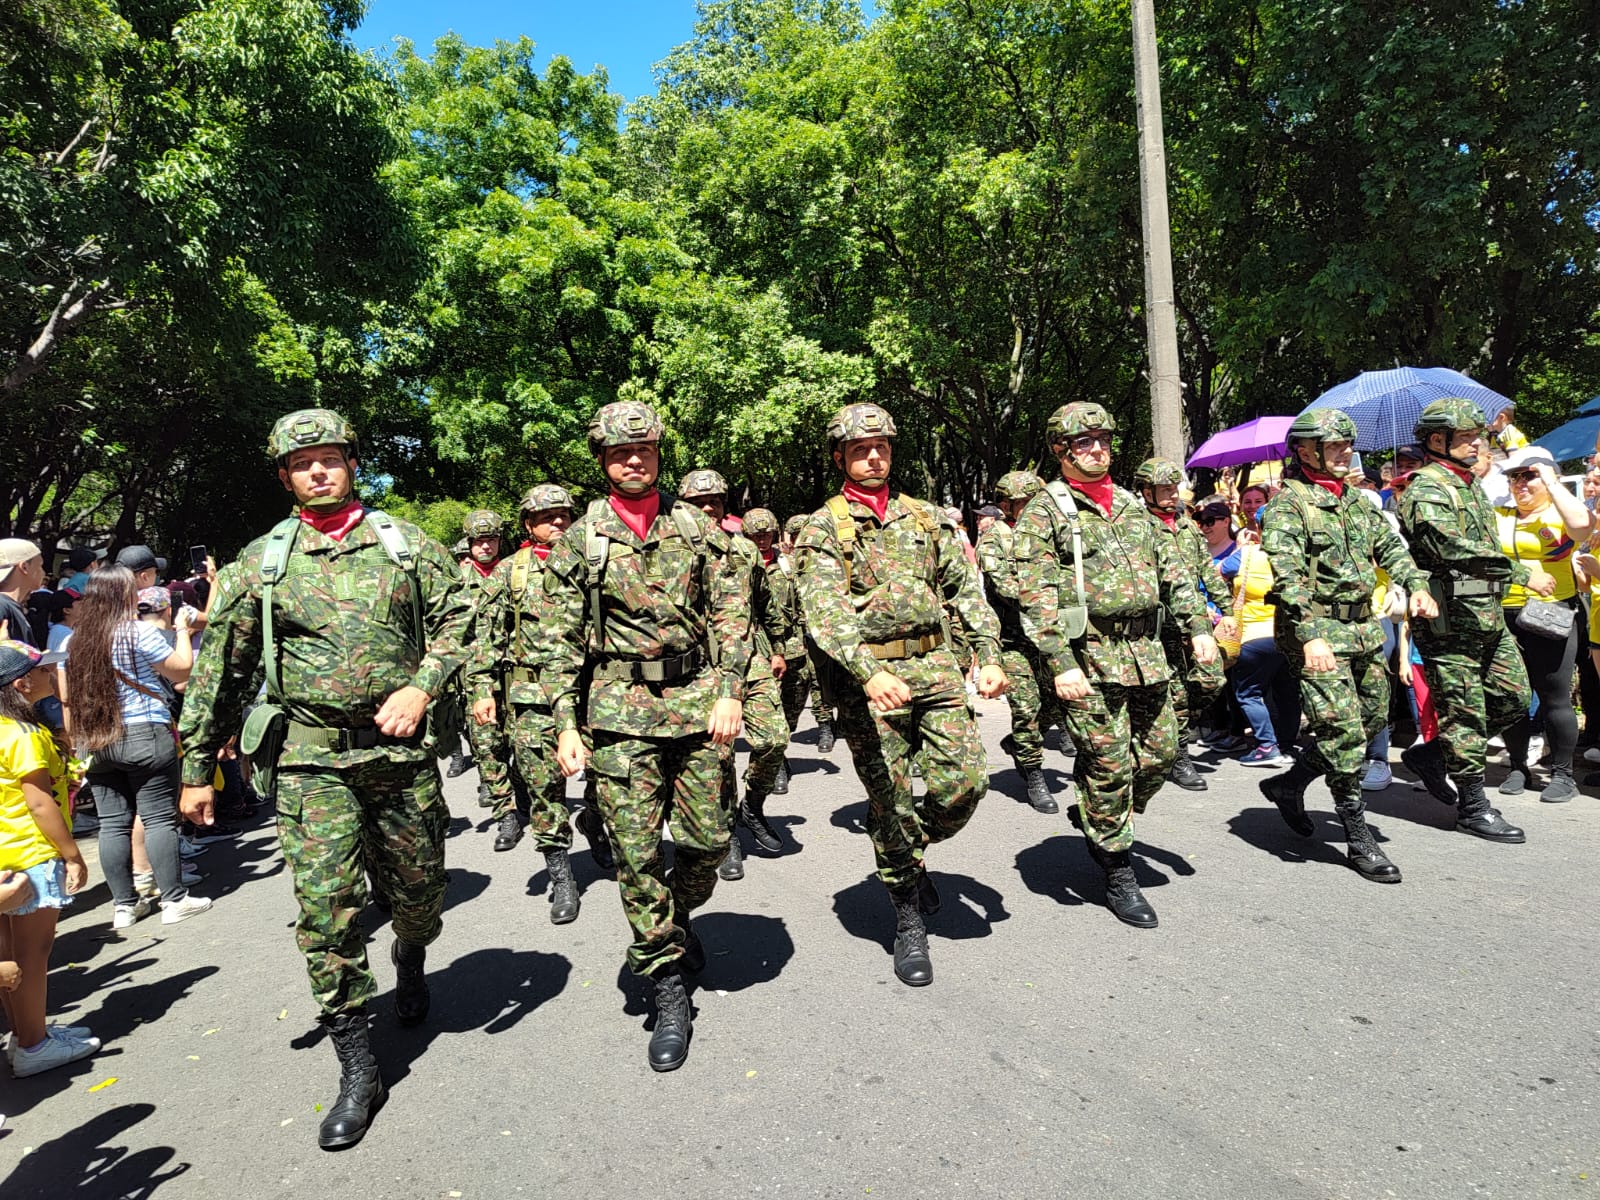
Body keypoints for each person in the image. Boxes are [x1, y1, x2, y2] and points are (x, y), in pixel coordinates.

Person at [176, 408, 473, 1148]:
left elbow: (465, 618)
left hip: (399, 758)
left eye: (331, 457)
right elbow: (221, 667)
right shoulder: (261, 564)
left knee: (419, 893)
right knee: (325, 909)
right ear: (285, 477)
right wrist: (196, 766)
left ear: (350, 463)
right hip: (311, 762)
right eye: (303, 461)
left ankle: (411, 951)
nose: (318, 469)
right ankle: (357, 1064)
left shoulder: (407, 546)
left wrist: (425, 684)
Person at [541, 401, 751, 1071]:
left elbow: (730, 610)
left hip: (695, 702)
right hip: (617, 711)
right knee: (635, 856)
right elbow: (558, 637)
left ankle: (677, 920)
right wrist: (566, 724)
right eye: (620, 451)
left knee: (707, 844)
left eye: (646, 449)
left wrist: (728, 690)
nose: (635, 459)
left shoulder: (694, 526)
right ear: (602, 459)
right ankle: (665, 987)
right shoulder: (583, 537)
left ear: (660, 453)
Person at [796, 403, 1006, 983]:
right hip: (873, 684)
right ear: (840, 456)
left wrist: (987, 654)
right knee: (890, 800)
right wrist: (867, 672)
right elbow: (823, 611)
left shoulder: (925, 517)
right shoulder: (823, 525)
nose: (873, 456)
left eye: (882, 447)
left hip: (935, 666)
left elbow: (965, 589)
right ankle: (907, 913)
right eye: (860, 449)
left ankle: (904, 848)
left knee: (966, 783)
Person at [1013, 404, 1216, 927]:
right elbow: (1035, 595)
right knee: (1108, 763)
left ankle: (1101, 813)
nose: (1097, 448)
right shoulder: (1045, 512)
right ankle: (1116, 868)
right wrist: (1058, 659)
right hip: (1089, 656)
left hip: (1146, 651)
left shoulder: (1131, 504)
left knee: (1162, 753)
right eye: (1083, 442)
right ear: (1062, 451)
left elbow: (1171, 573)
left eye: (1102, 438)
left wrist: (1197, 629)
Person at [1257, 410, 1438, 883]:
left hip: (1363, 629)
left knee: (1373, 720)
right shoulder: (1288, 505)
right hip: (1315, 634)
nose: (1345, 453)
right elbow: (1288, 575)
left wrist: (1415, 584)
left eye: (1346, 446)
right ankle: (1358, 835)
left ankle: (1289, 783)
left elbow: (1392, 548)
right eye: (1334, 446)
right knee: (1342, 734)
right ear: (1304, 450)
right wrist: (1310, 633)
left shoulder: (1357, 503)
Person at [1396, 399, 1553, 831]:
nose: (1475, 444)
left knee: (1512, 697)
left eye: (1476, 436)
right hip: (1449, 616)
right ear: (1436, 440)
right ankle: (1472, 806)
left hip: (1486, 612)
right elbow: (1452, 549)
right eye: (1465, 437)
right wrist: (1521, 572)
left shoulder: (1467, 485)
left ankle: (1432, 754)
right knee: (1464, 710)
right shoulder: (1425, 489)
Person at [469, 483, 609, 924]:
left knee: (608, 774)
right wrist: (481, 689)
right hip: (532, 699)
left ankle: (594, 821)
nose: (558, 523)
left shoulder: (596, 562)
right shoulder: (510, 572)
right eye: (547, 517)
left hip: (592, 693)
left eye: (565, 516)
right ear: (529, 524)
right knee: (545, 792)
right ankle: (562, 876)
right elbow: (486, 638)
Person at [65, 566, 210, 926]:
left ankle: (124, 906)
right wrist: (181, 630)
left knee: (112, 824)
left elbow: (66, 695)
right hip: (144, 731)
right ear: (124, 596)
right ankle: (174, 900)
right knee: (159, 818)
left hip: (97, 740)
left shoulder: (75, 640)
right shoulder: (138, 632)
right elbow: (181, 671)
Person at [679, 471, 792, 879]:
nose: (707, 508)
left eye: (715, 501)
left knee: (775, 739)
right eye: (698, 502)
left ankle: (753, 806)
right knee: (718, 753)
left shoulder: (743, 549)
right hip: (701, 667)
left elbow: (764, 602)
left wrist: (778, 647)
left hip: (749, 657)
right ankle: (727, 835)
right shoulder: (673, 550)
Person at [0, 639, 98, 1077]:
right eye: (40, 672)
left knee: (10, 958)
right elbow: (41, 804)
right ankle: (34, 1045)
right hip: (33, 855)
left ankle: (26, 1035)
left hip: (7, 856)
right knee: (33, 956)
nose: (48, 676)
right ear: (21, 684)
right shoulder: (22, 735)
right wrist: (72, 855)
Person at [1491, 446, 1592, 801]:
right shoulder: (1500, 513)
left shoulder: (1560, 512)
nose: (1519, 483)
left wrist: (1550, 480)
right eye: (1513, 476)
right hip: (1505, 613)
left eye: (1527, 475)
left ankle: (1564, 776)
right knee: (1512, 695)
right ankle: (1519, 766)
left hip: (1552, 612)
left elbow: (1582, 527)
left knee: (1554, 697)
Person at [1134, 462, 1233, 784]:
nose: (1172, 495)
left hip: (1194, 619)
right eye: (1165, 489)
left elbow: (1206, 568)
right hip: (1158, 625)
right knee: (1171, 692)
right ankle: (1179, 756)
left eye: (1174, 489)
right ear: (1147, 492)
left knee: (1211, 680)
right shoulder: (1138, 526)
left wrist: (1228, 609)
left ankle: (1163, 736)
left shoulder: (1187, 527)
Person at [976, 470, 1061, 814]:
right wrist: (1050, 597)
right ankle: (1034, 772)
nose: (1029, 509)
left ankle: (1018, 744)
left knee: (1056, 703)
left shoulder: (1048, 532)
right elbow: (1006, 586)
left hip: (1050, 637)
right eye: (1022, 503)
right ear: (1007, 505)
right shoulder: (995, 538)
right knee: (1026, 708)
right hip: (1013, 639)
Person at [456, 508, 528, 844]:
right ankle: (506, 814)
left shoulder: (519, 571)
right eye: (478, 540)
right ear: (469, 542)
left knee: (522, 742)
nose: (485, 545)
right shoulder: (456, 581)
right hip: (477, 677)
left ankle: (521, 786)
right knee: (487, 746)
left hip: (517, 674)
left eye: (491, 539)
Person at [742, 508, 806, 798]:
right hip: (760, 648)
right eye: (756, 535)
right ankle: (775, 764)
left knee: (792, 705)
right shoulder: (741, 564)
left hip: (794, 645)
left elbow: (805, 601)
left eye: (767, 534)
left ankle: (779, 752)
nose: (762, 540)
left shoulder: (788, 565)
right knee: (771, 711)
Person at [784, 513, 836, 753]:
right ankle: (814, 724)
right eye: (794, 536)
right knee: (801, 682)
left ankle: (827, 723)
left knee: (822, 679)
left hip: (822, 630)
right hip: (795, 633)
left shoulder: (823, 559)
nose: (798, 540)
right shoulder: (784, 564)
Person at [0, 540, 44, 649]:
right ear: (24, 567)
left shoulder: (9, 606)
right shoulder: (2, 605)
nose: (43, 572)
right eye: (40, 566)